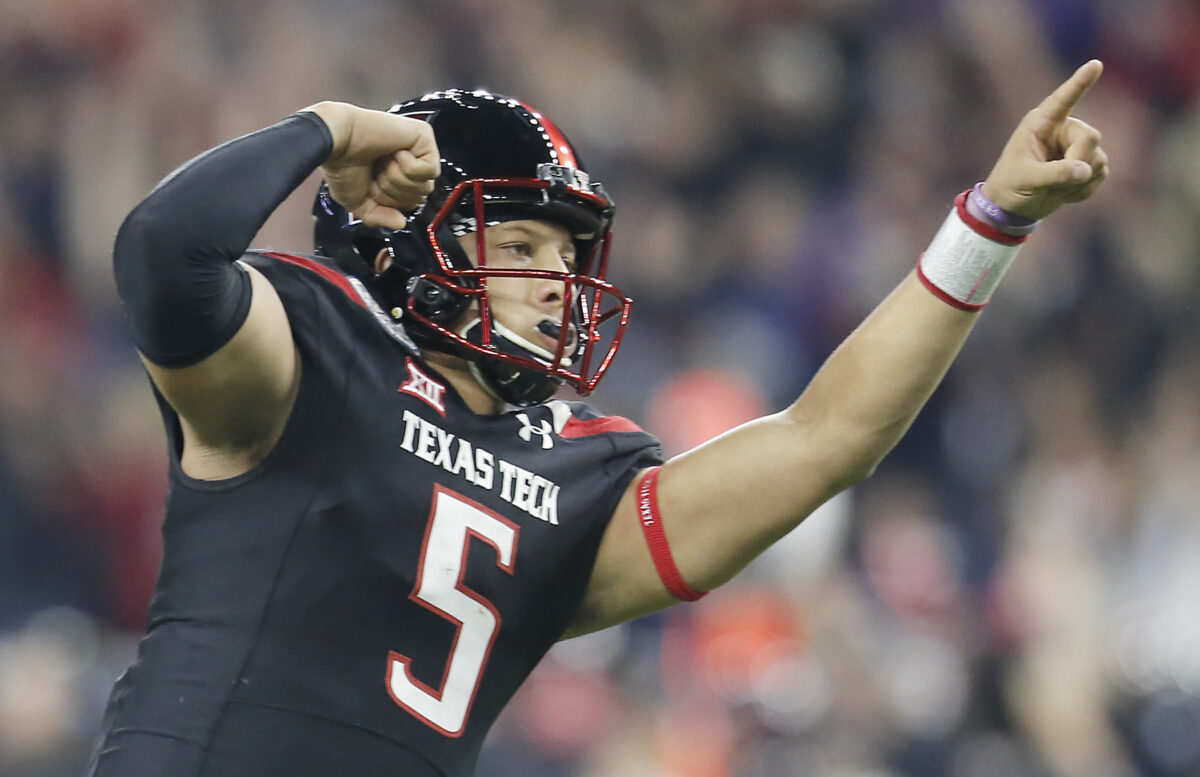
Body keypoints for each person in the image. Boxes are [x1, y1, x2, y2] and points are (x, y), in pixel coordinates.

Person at [89, 61, 1108, 776]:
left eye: (568, 259)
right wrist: (328, 128)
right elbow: (162, 253)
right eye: (523, 246)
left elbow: (825, 439)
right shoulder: (310, 345)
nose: (556, 285)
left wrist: (990, 222)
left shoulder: (573, 474)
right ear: (402, 238)